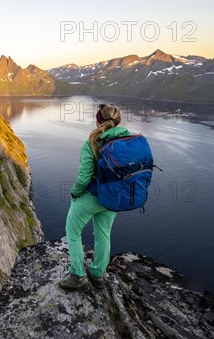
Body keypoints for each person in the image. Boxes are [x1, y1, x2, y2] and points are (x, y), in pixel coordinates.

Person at [59, 103, 129, 292]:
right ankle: (98, 275)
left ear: (98, 120)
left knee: (73, 232)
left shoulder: (92, 141)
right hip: (114, 198)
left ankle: (77, 276)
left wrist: (75, 192)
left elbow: (84, 176)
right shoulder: (127, 140)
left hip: (93, 196)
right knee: (103, 235)